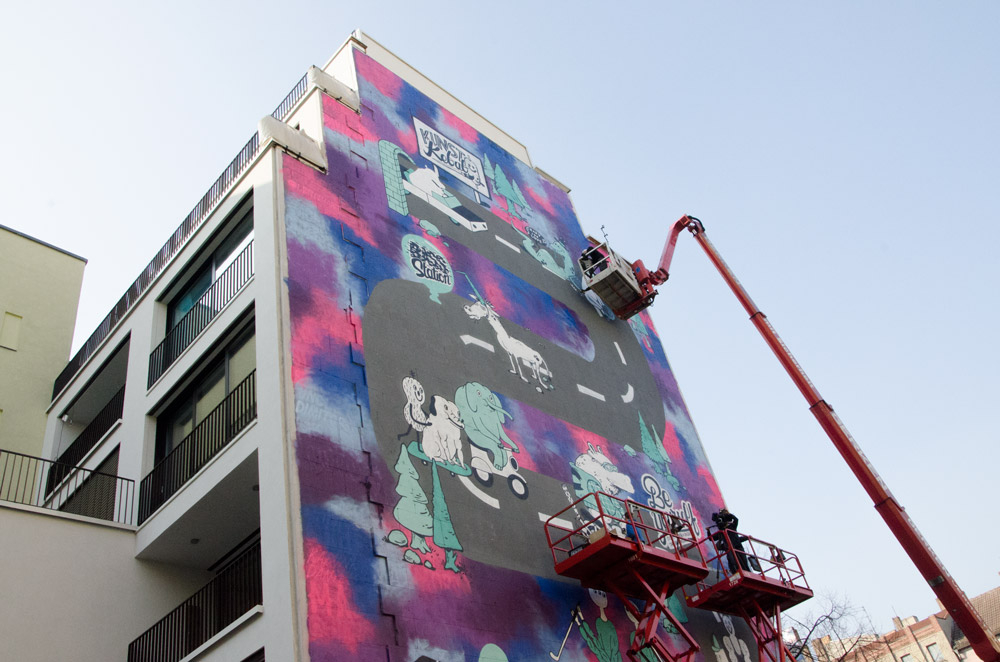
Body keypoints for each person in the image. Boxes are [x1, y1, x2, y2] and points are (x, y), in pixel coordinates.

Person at [711, 508, 756, 573]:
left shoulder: (732, 527)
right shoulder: (722, 532)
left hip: (738, 548)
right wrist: (708, 531)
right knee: (733, 563)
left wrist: (728, 515)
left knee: (744, 563)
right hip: (730, 549)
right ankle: (735, 573)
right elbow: (711, 538)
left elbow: (736, 520)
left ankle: (747, 574)